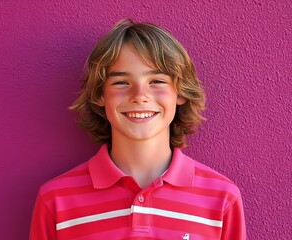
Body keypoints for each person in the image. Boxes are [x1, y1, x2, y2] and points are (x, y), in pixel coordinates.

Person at [29, 18, 246, 240]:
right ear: (100, 95)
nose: (140, 96)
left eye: (157, 81)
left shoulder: (222, 198)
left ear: (180, 92)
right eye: (121, 82)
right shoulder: (56, 200)